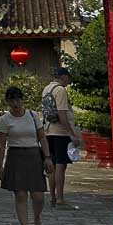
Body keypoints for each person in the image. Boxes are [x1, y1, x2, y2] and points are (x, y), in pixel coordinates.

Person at [0, 85, 50, 225]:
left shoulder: (33, 116)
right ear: (7, 102)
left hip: (33, 155)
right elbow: (1, 145)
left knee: (38, 195)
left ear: (22, 100)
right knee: (20, 194)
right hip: (15, 156)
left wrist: (47, 157)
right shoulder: (5, 120)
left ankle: (37, 219)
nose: (15, 104)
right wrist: (0, 165)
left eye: (18, 100)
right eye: (12, 100)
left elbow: (42, 137)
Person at [43, 66, 83, 209]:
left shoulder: (47, 89)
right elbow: (62, 114)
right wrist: (71, 134)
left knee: (52, 165)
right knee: (61, 165)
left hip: (48, 131)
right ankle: (60, 198)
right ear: (63, 76)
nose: (69, 80)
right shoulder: (60, 90)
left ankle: (53, 197)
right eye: (68, 77)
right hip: (60, 132)